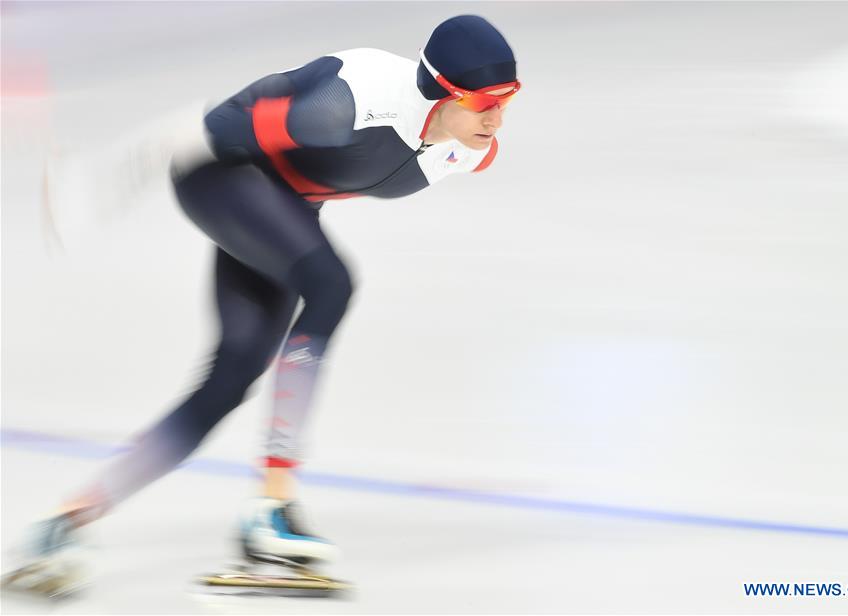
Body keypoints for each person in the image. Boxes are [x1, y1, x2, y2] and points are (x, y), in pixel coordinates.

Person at [8, 13, 519, 589]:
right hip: (221, 175)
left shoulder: (471, 151)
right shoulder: (347, 100)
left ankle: (65, 521)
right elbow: (214, 128)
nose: (498, 118)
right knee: (331, 283)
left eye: (509, 99)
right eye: (484, 102)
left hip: (282, 210)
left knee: (230, 378)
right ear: (440, 91)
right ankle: (273, 507)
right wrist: (97, 181)